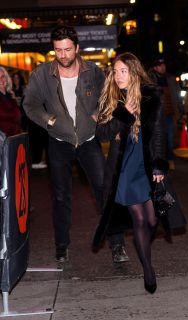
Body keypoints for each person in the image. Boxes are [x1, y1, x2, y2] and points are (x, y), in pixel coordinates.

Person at [23, 25, 128, 264]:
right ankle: (61, 246)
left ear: (77, 48)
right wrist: (48, 120)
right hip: (59, 143)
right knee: (61, 197)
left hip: (89, 142)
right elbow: (30, 105)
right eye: (58, 50)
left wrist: (96, 117)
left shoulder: (93, 71)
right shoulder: (42, 74)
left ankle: (117, 244)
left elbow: (108, 97)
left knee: (104, 191)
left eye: (68, 49)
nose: (63, 55)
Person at [92, 52, 169, 294]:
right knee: (138, 219)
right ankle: (148, 269)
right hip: (123, 166)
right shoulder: (111, 98)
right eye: (115, 71)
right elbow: (102, 134)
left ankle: (147, 246)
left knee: (153, 219)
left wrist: (158, 164)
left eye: (123, 71)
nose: (118, 76)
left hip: (144, 163)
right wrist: (123, 113)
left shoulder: (151, 96)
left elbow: (157, 134)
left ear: (134, 72)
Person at [148, 59, 182, 170]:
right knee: (157, 139)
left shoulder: (171, 79)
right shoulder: (150, 80)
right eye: (159, 66)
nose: (162, 67)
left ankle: (170, 160)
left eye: (163, 65)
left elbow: (177, 97)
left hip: (169, 115)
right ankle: (158, 161)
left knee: (169, 139)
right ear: (155, 68)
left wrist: (181, 112)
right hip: (156, 115)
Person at [12, 71, 48, 169]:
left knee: (40, 141)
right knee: (36, 141)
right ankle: (36, 161)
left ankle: (37, 160)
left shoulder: (32, 89)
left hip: (38, 121)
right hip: (34, 121)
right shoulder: (30, 90)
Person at [0, 66, 21, 137]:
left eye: (3, 76)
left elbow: (18, 115)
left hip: (15, 138)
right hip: (3, 141)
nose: (1, 79)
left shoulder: (11, 95)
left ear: (7, 78)